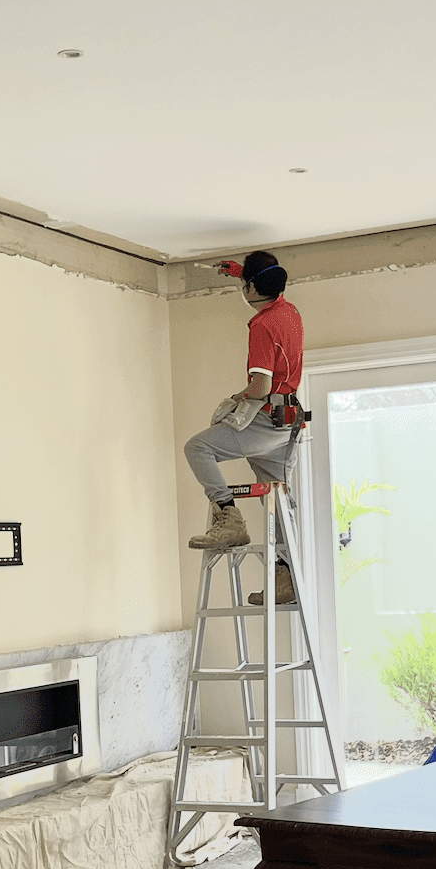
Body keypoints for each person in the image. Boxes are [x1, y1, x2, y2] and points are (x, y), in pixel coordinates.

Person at [183, 250, 303, 604]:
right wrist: (244, 274)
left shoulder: (262, 326)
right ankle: (286, 575)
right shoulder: (290, 312)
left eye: (246, 284)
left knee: (198, 448)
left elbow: (260, 387)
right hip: (288, 421)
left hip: (264, 419)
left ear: (251, 288)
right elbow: (266, 284)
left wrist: (238, 397)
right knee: (278, 497)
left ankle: (228, 516)